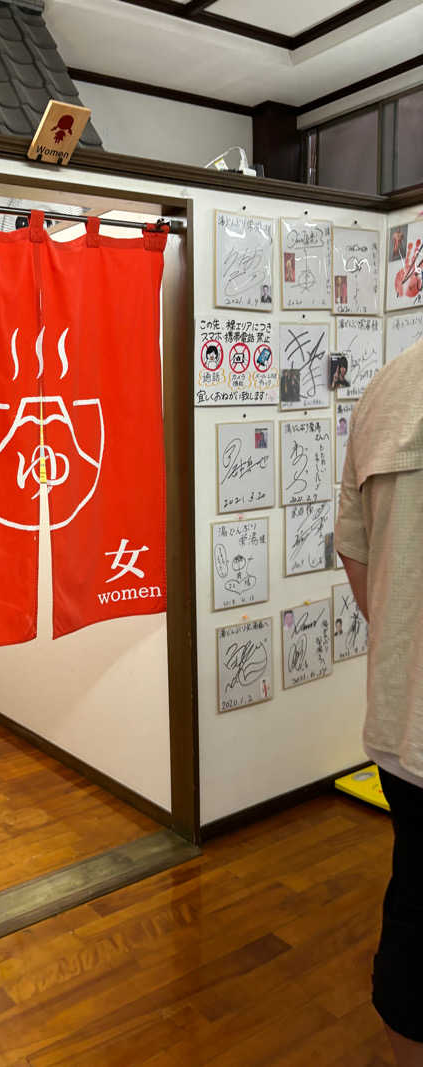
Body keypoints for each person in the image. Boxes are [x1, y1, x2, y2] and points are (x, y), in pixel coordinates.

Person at [336, 338, 423, 1065]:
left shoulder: (384, 389)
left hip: (403, 724)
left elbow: (354, 551)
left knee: (416, 908)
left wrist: (403, 644)